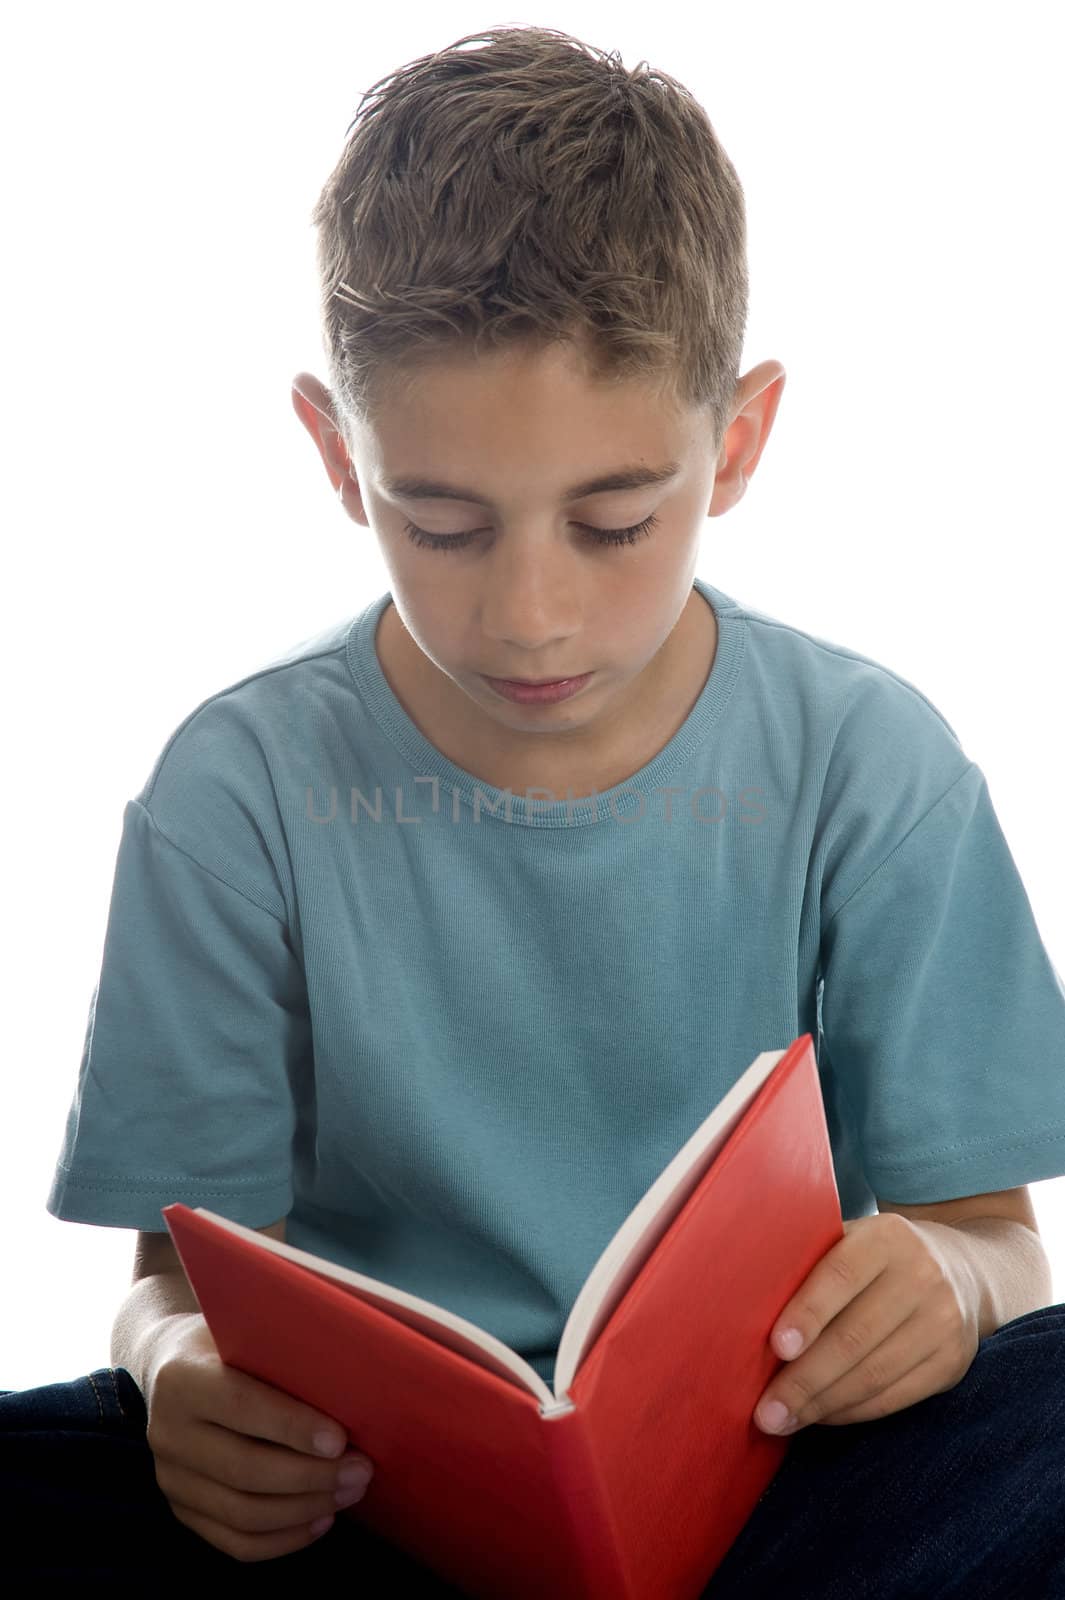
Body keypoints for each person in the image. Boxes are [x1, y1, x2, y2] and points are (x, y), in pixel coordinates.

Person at [5, 22, 1065, 1594]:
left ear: (740, 440)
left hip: (778, 1481)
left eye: (614, 520)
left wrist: (947, 1287)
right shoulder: (233, 794)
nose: (530, 616)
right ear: (337, 456)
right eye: (440, 523)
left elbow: (994, 1238)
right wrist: (178, 1383)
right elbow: (175, 1281)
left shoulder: (869, 762)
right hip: (370, 1505)